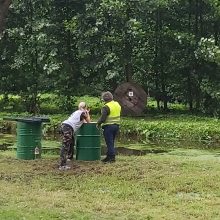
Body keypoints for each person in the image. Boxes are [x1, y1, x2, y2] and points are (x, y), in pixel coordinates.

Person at [59, 102, 91, 170]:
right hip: (68, 127)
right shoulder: (82, 113)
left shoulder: (77, 112)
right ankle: (62, 165)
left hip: (64, 125)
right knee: (65, 146)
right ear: (85, 108)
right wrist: (87, 113)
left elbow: (83, 122)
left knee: (71, 142)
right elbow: (88, 121)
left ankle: (69, 158)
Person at [97, 91, 121, 163]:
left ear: (104, 99)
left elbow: (103, 118)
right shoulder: (117, 104)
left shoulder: (106, 107)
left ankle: (112, 158)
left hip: (108, 127)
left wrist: (98, 123)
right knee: (111, 142)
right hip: (116, 125)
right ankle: (108, 156)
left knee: (109, 142)